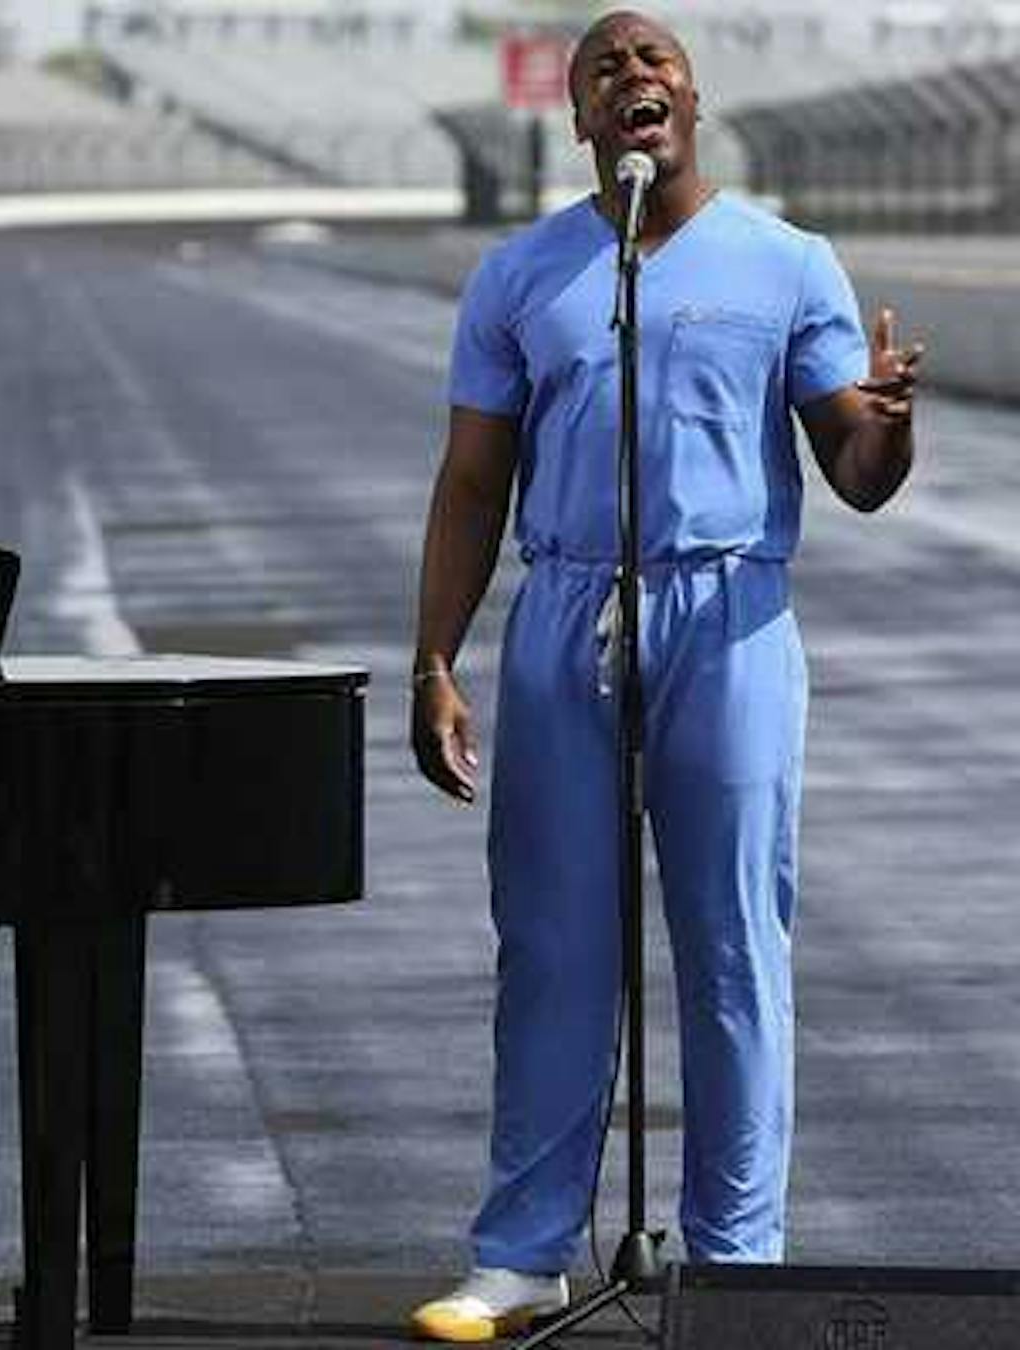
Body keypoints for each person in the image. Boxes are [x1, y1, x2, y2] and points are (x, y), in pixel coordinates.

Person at [406, 12, 925, 1343]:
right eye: (603, 70)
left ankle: (738, 1256)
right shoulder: (524, 274)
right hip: (567, 611)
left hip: (729, 616)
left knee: (735, 944)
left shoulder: (785, 261)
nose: (631, 76)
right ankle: (523, 1252)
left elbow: (853, 471)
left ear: (693, 99)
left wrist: (888, 427)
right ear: (581, 122)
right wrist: (434, 658)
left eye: (652, 61)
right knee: (555, 943)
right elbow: (472, 483)